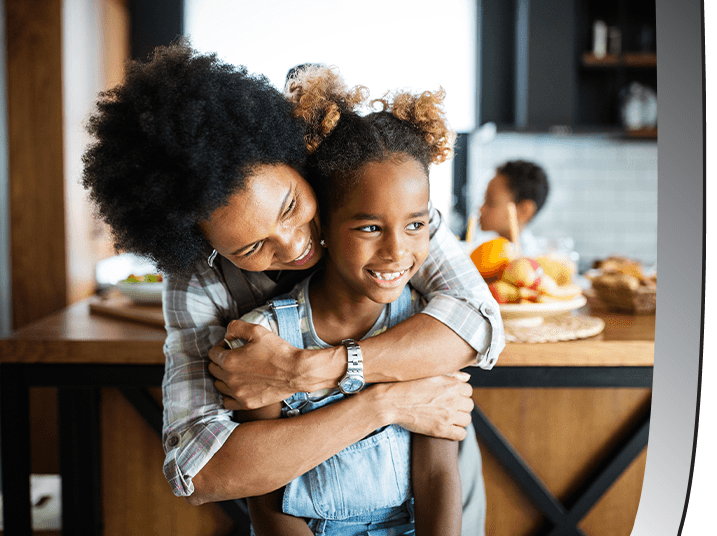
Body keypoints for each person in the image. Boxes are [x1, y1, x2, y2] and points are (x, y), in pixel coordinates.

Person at [81, 40, 503, 532]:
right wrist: (384, 404)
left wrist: (306, 371)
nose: (294, 244)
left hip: (430, 492)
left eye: (290, 207)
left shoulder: (374, 203)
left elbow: (478, 323)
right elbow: (200, 469)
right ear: (204, 246)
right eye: (252, 247)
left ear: (296, 161)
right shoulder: (199, 281)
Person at [230, 77, 463, 535]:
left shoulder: (426, 330)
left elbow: (437, 474)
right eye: (370, 228)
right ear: (322, 227)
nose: (397, 251)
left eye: (415, 225)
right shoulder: (266, 340)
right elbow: (266, 499)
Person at [477, 160, 549, 255]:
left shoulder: (528, 259)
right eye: (484, 199)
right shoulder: (482, 250)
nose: (481, 209)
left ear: (524, 211)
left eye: (491, 202)